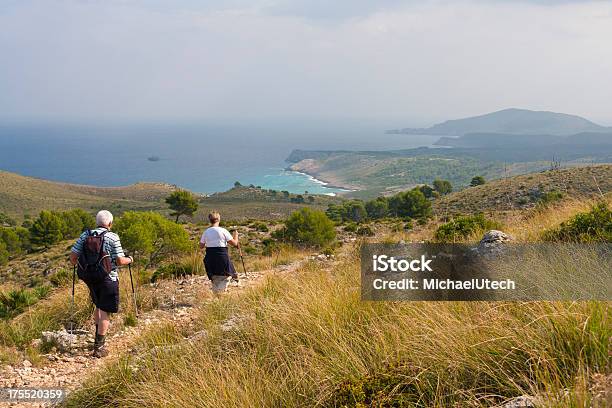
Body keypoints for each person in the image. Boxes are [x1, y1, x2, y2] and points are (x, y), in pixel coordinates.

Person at [69, 210, 133, 358]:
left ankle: (97, 337)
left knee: (98, 306)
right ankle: (99, 348)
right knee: (105, 311)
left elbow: (73, 257)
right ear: (110, 223)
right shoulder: (112, 236)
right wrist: (130, 259)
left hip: (90, 278)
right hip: (108, 278)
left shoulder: (85, 235)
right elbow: (120, 261)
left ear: (97, 222)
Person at [200, 211, 240, 294]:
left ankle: (217, 295)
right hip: (222, 256)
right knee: (226, 275)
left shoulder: (206, 232)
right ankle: (220, 294)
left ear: (210, 220)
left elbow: (201, 246)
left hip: (210, 257)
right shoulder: (223, 231)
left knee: (214, 276)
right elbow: (235, 244)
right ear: (218, 219)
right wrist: (236, 235)